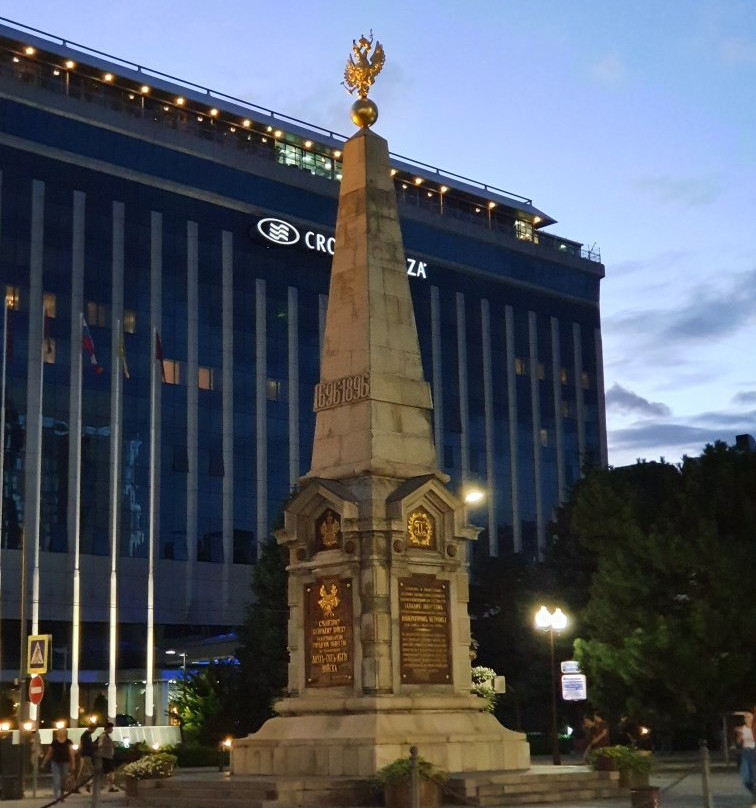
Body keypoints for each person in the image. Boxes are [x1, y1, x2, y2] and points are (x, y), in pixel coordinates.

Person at [41, 727, 76, 801]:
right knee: (56, 779)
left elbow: (71, 753)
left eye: (63, 732)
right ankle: (56, 796)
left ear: (65, 733)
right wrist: (44, 762)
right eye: (60, 732)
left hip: (65, 762)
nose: (61, 733)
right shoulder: (54, 742)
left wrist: (73, 764)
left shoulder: (68, 742)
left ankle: (62, 795)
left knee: (63, 779)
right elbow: (49, 753)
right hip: (55, 762)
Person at [735, 711, 755, 804]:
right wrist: (739, 735)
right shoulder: (742, 729)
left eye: (748, 717)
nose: (746, 719)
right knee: (746, 778)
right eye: (745, 717)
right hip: (745, 752)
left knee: (754, 776)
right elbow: (738, 742)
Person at [95, 721, 118, 793]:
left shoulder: (107, 736)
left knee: (104, 772)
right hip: (105, 757)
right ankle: (110, 786)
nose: (112, 730)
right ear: (107, 728)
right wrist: (109, 745)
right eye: (111, 728)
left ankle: (110, 786)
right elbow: (100, 745)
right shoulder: (104, 736)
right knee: (109, 772)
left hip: (108, 756)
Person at [75, 723, 97, 793]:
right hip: (86, 755)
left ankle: (76, 786)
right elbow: (87, 746)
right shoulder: (86, 735)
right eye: (94, 729)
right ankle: (88, 784)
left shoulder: (86, 735)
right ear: (91, 728)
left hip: (84, 755)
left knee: (82, 772)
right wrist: (94, 744)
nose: (94, 731)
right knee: (93, 772)